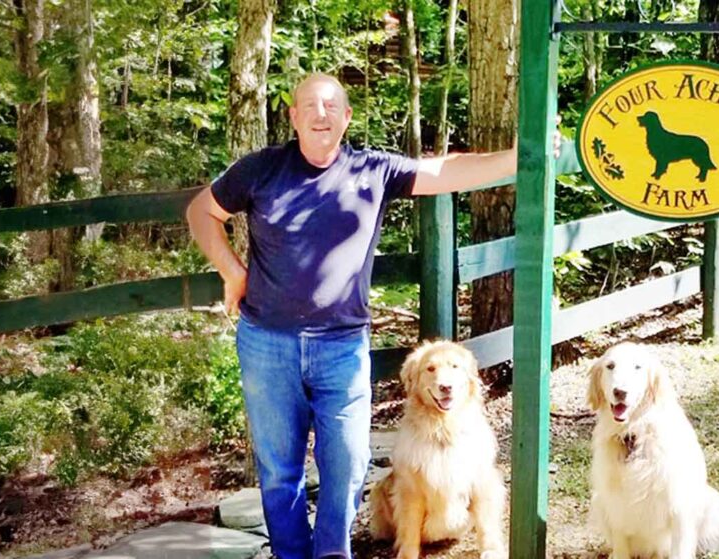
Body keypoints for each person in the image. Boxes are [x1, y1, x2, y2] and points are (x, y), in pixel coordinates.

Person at [186, 72, 558, 559]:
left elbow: (446, 171)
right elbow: (200, 213)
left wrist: (520, 157)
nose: (321, 114)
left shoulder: (372, 170)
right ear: (293, 117)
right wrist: (233, 274)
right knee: (279, 469)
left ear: (346, 117)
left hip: (341, 346)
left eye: (332, 106)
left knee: (349, 462)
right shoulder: (260, 170)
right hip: (267, 341)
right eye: (310, 106)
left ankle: (332, 553)